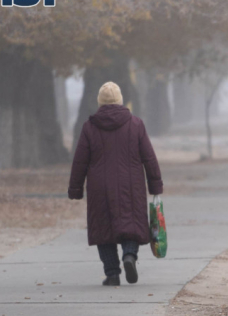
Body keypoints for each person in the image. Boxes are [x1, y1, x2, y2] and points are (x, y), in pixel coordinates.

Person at [68, 82, 163, 286]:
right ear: (120, 100)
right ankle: (129, 256)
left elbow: (80, 160)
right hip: (132, 186)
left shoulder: (89, 127)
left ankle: (112, 273)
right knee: (131, 225)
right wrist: (155, 185)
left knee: (104, 230)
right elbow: (149, 157)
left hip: (99, 188)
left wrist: (75, 189)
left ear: (100, 103)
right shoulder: (136, 124)